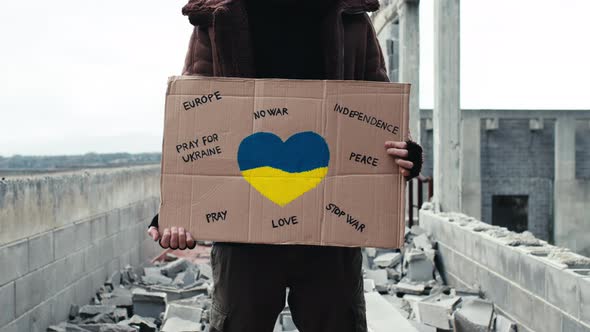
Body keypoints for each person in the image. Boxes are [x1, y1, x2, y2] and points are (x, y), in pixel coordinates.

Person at [148, 0, 423, 331]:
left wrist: (405, 153)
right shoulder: (216, 18)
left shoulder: (349, 17)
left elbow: (378, 113)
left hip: (331, 234)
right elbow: (198, 123)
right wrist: (178, 211)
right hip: (243, 241)